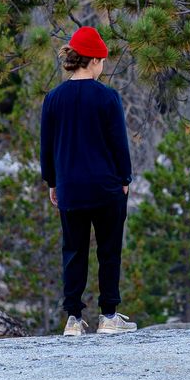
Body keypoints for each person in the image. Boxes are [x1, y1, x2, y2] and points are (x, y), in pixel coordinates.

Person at [40, 25, 137, 336]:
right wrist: (125, 178)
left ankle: (73, 320)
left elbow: (47, 147)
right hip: (107, 187)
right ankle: (108, 316)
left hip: (70, 189)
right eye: (102, 61)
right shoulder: (107, 97)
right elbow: (118, 143)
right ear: (94, 60)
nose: (103, 66)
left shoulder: (53, 99)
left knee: (74, 251)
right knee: (109, 250)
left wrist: (52, 182)